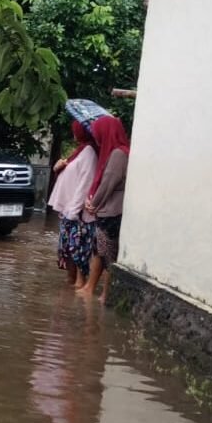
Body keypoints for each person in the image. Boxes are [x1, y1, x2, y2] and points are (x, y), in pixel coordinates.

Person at [78, 115, 130, 302]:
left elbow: (109, 182)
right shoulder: (117, 152)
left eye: (99, 133)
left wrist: (94, 203)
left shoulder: (118, 154)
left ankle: (105, 295)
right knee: (100, 252)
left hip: (111, 212)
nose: (97, 137)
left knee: (108, 256)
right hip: (107, 210)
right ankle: (91, 291)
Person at [48, 121, 98, 289]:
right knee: (68, 251)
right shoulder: (80, 151)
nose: (73, 133)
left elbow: (85, 183)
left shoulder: (89, 153)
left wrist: (73, 211)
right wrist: (58, 168)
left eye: (76, 130)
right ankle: (71, 287)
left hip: (76, 212)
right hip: (69, 210)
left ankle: (78, 285)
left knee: (77, 251)